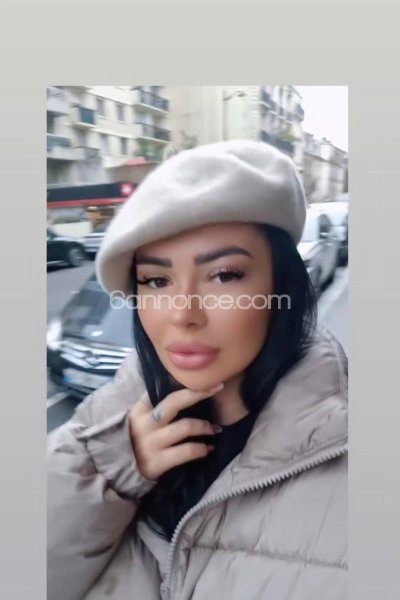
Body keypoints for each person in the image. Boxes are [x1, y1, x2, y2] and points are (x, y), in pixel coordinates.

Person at [47, 140, 348, 600]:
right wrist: (113, 471)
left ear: (279, 285)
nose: (182, 314)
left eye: (223, 275)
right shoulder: (109, 418)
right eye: (156, 280)